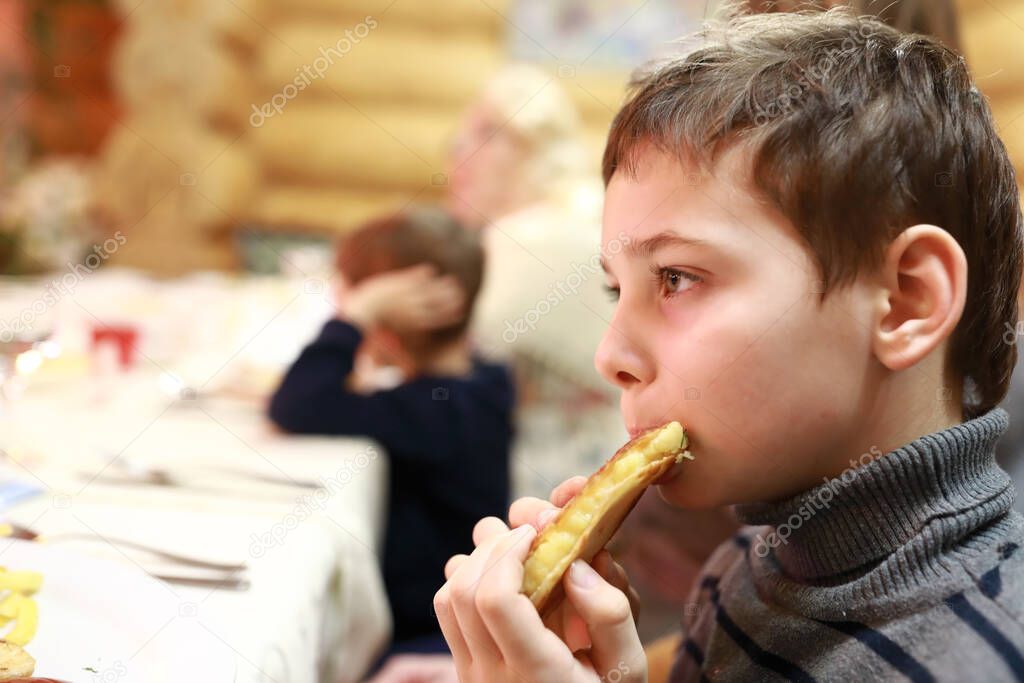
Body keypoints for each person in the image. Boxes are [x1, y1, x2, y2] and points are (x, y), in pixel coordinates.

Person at [434, 7, 1024, 682]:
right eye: (614, 291)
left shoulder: (980, 658)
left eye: (677, 278)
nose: (609, 356)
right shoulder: (745, 568)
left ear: (906, 300)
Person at [267, 207, 515, 664]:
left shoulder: (430, 413)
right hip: (450, 621)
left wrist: (357, 314)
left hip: (427, 640)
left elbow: (294, 404)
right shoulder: (484, 383)